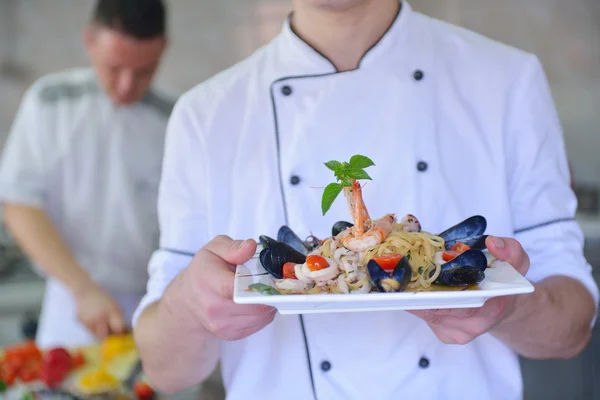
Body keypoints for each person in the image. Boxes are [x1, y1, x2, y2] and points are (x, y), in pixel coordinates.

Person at [132, 1, 599, 399]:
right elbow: (166, 371)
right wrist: (189, 306)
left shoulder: (509, 80)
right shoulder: (205, 114)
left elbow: (573, 327)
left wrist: (513, 307)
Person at [0, 0, 173, 349]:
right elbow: (18, 204)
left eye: (144, 71)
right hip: (72, 299)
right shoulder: (50, 101)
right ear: (90, 42)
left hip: (156, 305)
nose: (126, 86)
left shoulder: (176, 119)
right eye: (114, 67)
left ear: (162, 49)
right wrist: (82, 288)